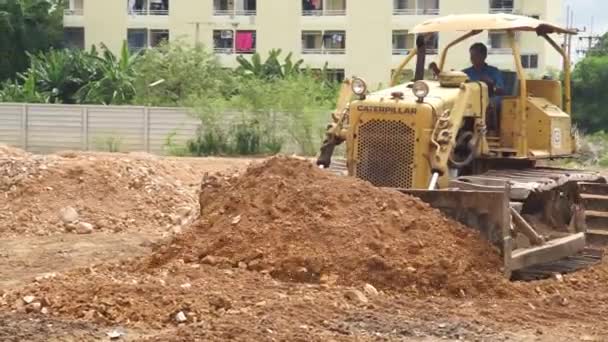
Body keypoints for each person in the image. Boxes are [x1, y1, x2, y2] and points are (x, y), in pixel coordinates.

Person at [430, 43, 505, 134]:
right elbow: (453, 82)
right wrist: (439, 73)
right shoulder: (465, 72)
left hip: (487, 99)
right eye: (471, 55)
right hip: (468, 102)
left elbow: (501, 90)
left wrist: (491, 84)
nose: (472, 58)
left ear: (484, 56)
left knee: (491, 104)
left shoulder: (493, 71)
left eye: (476, 55)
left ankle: (490, 131)